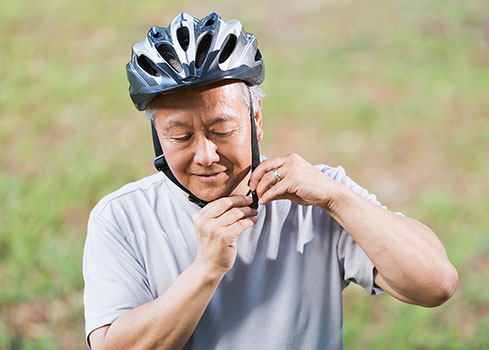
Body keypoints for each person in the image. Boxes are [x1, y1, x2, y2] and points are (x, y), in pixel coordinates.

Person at [82, 11, 458, 350]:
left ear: (255, 119)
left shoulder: (317, 196)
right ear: (157, 136)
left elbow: (436, 284)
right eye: (180, 137)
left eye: (222, 129)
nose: (206, 155)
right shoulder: (121, 219)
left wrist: (336, 199)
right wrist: (206, 269)